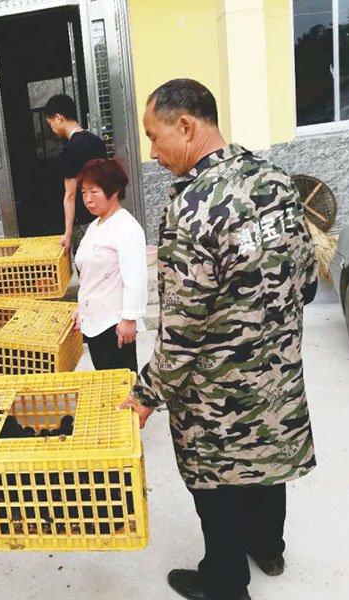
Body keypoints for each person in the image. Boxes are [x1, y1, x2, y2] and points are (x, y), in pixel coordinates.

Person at [118, 79, 318, 600]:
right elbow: (307, 279)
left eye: (153, 136)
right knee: (266, 456)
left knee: (218, 477)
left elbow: (182, 330)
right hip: (276, 371)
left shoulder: (193, 206)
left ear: (185, 126)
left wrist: (146, 394)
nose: (153, 153)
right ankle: (268, 548)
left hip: (216, 389)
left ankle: (226, 583)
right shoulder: (276, 180)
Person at [71, 158, 147, 372]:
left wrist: (129, 318)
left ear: (114, 191)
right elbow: (90, 274)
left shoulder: (127, 228)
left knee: (121, 382)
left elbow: (136, 278)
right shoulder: (95, 225)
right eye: (84, 192)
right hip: (94, 320)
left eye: (94, 192)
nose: (88, 199)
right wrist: (82, 308)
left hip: (114, 324)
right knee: (104, 381)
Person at [44, 94, 107, 254]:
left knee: (86, 265)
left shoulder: (71, 149)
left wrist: (68, 233)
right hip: (105, 216)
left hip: (85, 219)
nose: (51, 128)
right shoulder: (97, 141)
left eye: (50, 124)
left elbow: (70, 196)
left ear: (59, 118)